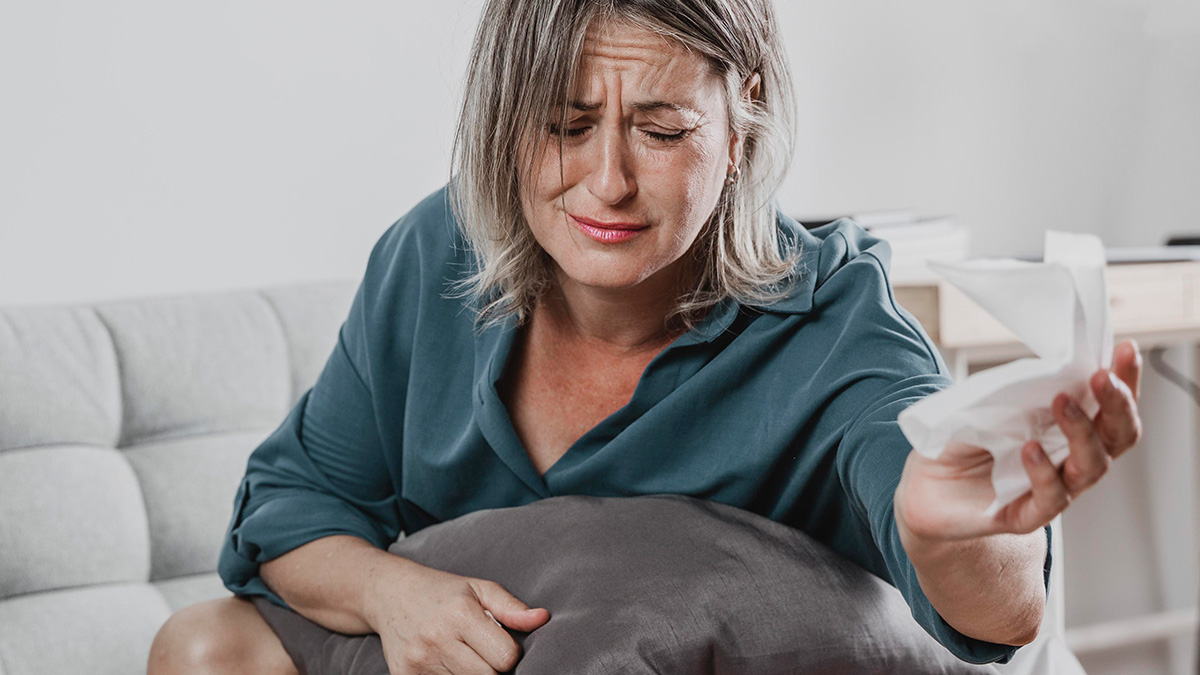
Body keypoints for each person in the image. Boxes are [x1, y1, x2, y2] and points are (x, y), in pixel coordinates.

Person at [147, 1, 1144, 673]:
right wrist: (393, 593)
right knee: (200, 644)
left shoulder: (835, 320)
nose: (609, 182)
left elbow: (999, 610)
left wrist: (947, 528)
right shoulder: (436, 253)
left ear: (741, 112)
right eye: (564, 125)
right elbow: (289, 506)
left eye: (661, 130)